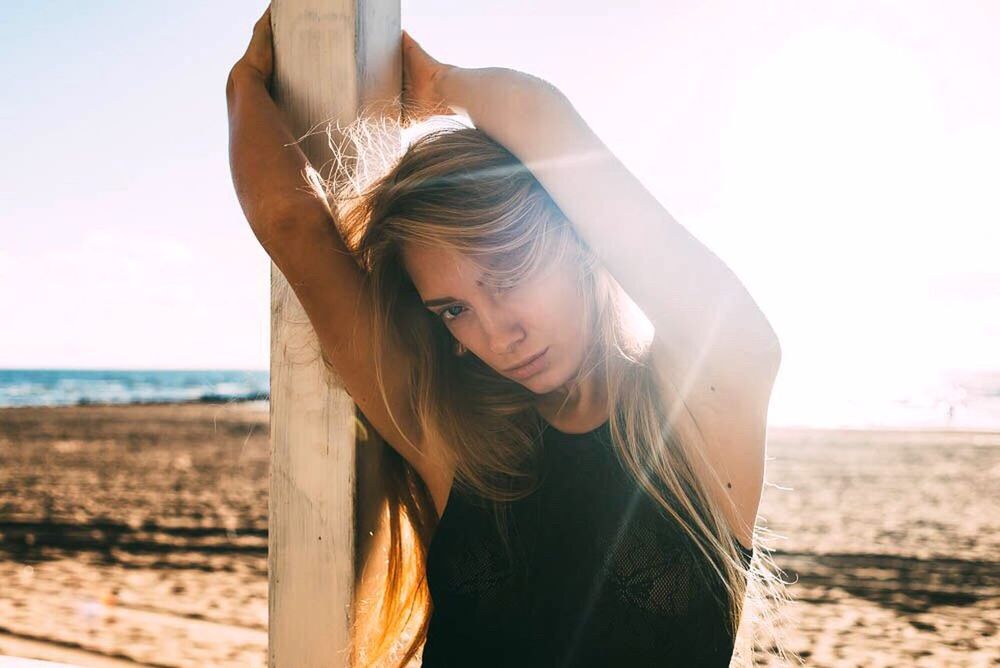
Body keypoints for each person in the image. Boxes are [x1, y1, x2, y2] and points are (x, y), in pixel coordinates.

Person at [227, 6, 789, 667]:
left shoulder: (701, 416)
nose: (498, 333)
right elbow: (294, 228)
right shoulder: (454, 441)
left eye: (508, 273)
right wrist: (241, 86)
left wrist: (440, 87)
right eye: (454, 311)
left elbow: (542, 122)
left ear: (580, 241)